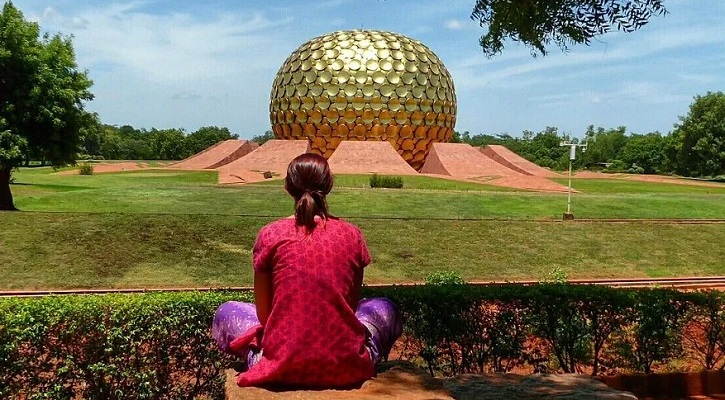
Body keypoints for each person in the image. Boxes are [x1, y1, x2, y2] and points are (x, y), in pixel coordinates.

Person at [212, 153, 402, 389]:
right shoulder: (351, 235)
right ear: (329, 185)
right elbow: (349, 308)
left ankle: (273, 353)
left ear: (287, 186)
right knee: (384, 307)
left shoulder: (271, 234)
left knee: (227, 312)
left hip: (279, 365)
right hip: (347, 365)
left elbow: (264, 316)